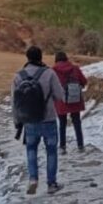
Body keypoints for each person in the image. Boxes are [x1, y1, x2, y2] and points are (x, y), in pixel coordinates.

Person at [11, 46, 65, 194]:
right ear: (41, 57)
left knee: (31, 149)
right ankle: (51, 184)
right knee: (52, 152)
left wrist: (17, 121)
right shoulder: (49, 73)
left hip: (29, 121)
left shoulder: (18, 76)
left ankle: (33, 179)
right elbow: (60, 96)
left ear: (27, 58)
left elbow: (14, 103)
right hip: (48, 119)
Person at [53, 51, 88, 154]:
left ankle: (62, 147)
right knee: (77, 123)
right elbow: (84, 81)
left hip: (61, 100)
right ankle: (80, 146)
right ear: (66, 59)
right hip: (75, 98)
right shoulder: (75, 68)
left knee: (62, 124)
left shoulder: (53, 70)